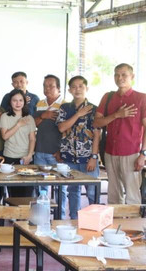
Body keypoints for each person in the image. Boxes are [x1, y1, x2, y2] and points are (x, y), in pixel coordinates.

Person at [93, 63, 146, 205]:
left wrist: (143, 154)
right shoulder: (108, 97)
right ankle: (115, 225)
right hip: (110, 152)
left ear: (132, 76)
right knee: (113, 195)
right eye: (116, 74)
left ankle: (134, 227)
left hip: (132, 152)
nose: (119, 78)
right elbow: (96, 123)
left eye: (124, 75)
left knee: (133, 195)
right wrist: (116, 115)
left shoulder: (141, 98)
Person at [55, 76, 100, 219]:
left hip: (88, 158)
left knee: (92, 192)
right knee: (73, 190)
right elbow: (62, 127)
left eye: (81, 86)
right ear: (69, 90)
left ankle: (95, 220)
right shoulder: (65, 108)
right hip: (68, 157)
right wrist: (78, 114)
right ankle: (74, 219)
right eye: (74, 87)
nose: (77, 89)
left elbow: (97, 135)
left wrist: (93, 157)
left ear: (87, 88)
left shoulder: (94, 109)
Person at [0, 89, 37, 197]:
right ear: (10, 102)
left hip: (26, 158)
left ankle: (26, 214)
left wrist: (29, 155)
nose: (18, 103)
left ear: (24, 102)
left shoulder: (29, 118)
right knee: (14, 194)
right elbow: (5, 136)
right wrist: (18, 124)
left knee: (27, 193)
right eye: (14, 100)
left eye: (20, 100)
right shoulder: (5, 116)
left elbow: (32, 139)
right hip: (10, 157)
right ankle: (14, 214)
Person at [33, 75, 64, 194]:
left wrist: (61, 150)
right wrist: (43, 116)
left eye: (51, 86)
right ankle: (43, 212)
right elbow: (34, 124)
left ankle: (60, 213)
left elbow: (67, 130)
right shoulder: (40, 103)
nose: (47, 89)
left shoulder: (65, 105)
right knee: (40, 186)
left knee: (60, 187)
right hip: (40, 151)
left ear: (59, 88)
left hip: (56, 152)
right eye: (45, 86)